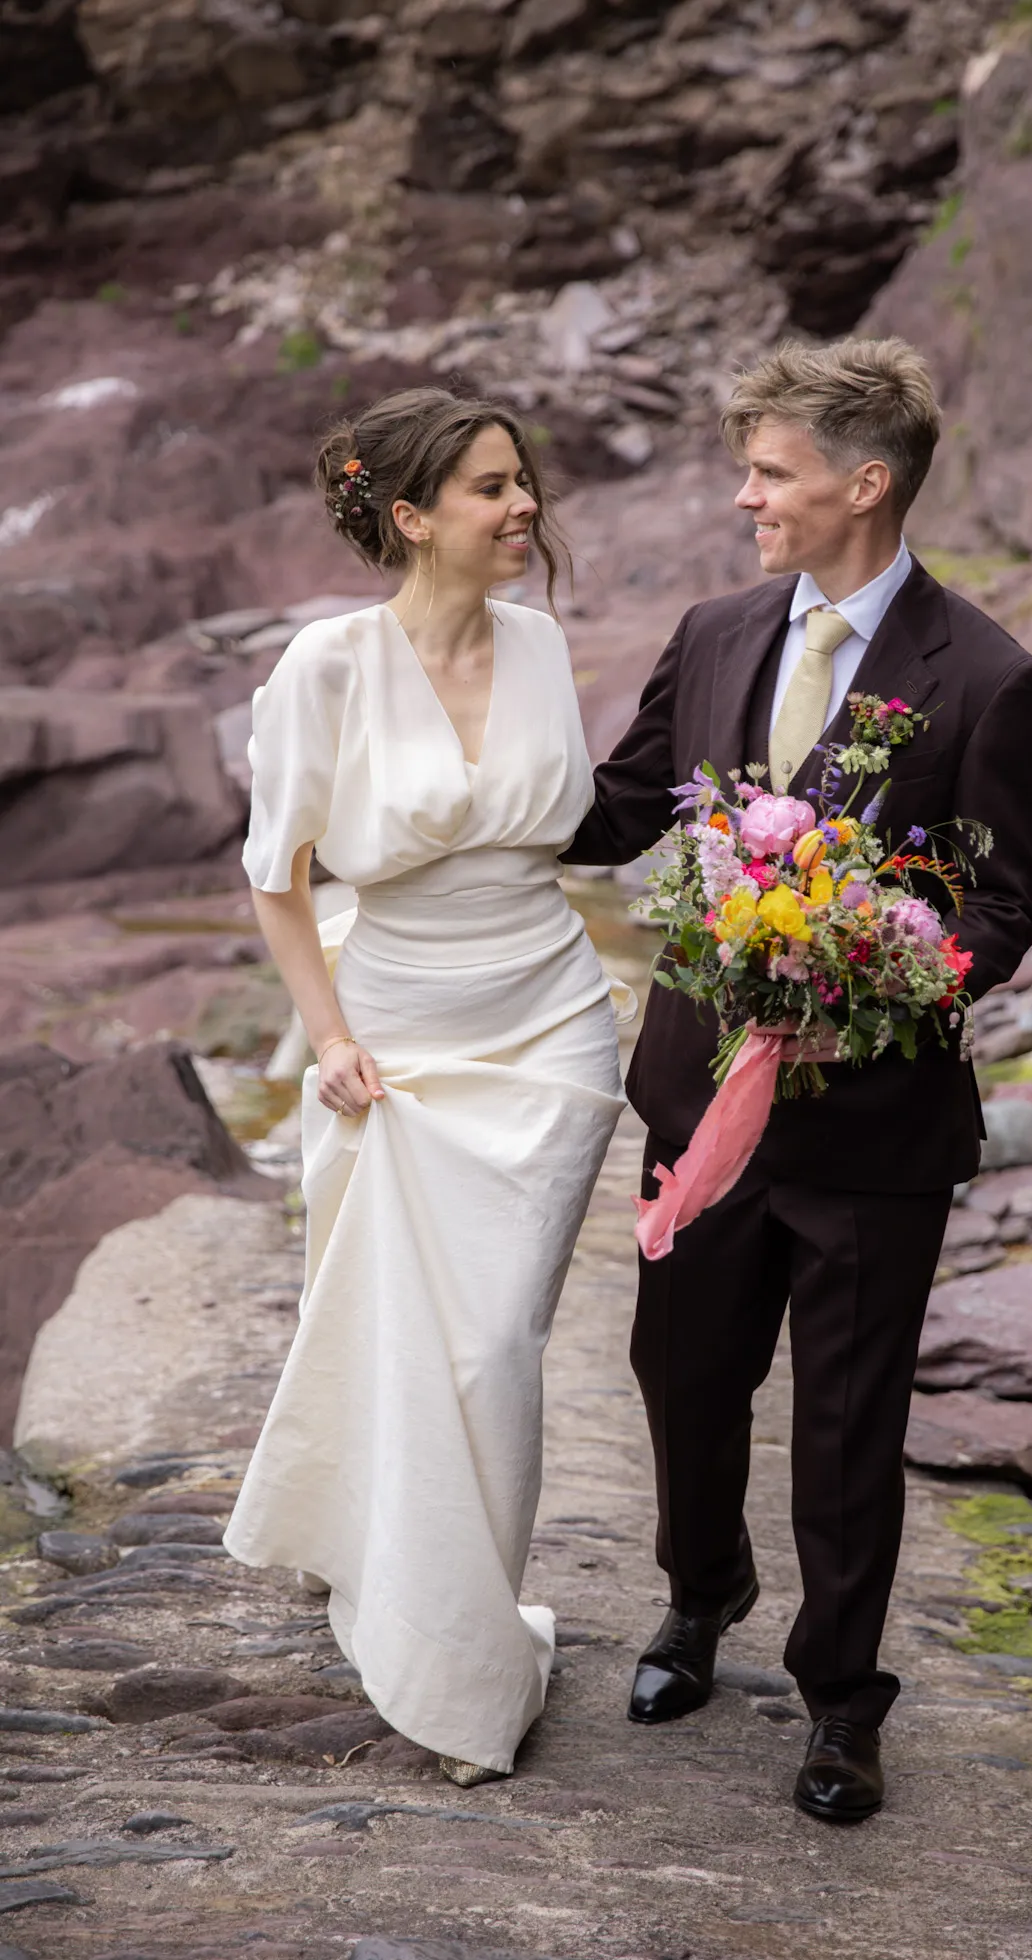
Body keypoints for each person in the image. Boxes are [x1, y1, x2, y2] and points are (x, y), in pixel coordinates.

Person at [562, 337, 1032, 1825]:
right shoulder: (715, 631)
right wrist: (451, 792)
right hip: (697, 1097)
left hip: (874, 1129)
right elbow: (621, 807)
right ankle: (699, 1594)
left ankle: (843, 1701)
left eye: (771, 473)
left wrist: (887, 992)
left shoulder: (994, 678)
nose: (746, 497)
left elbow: (999, 909)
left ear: (867, 483)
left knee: (846, 1426)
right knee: (679, 1375)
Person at [223, 388, 627, 1787]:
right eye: (491, 488)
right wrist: (328, 1036)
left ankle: (463, 1652)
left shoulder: (543, 642)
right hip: (394, 1035)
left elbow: (573, 829)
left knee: (497, 1342)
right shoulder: (326, 665)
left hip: (554, 1019)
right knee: (412, 1333)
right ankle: (439, 1630)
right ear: (411, 516)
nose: (525, 508)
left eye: (522, 482)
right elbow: (277, 877)